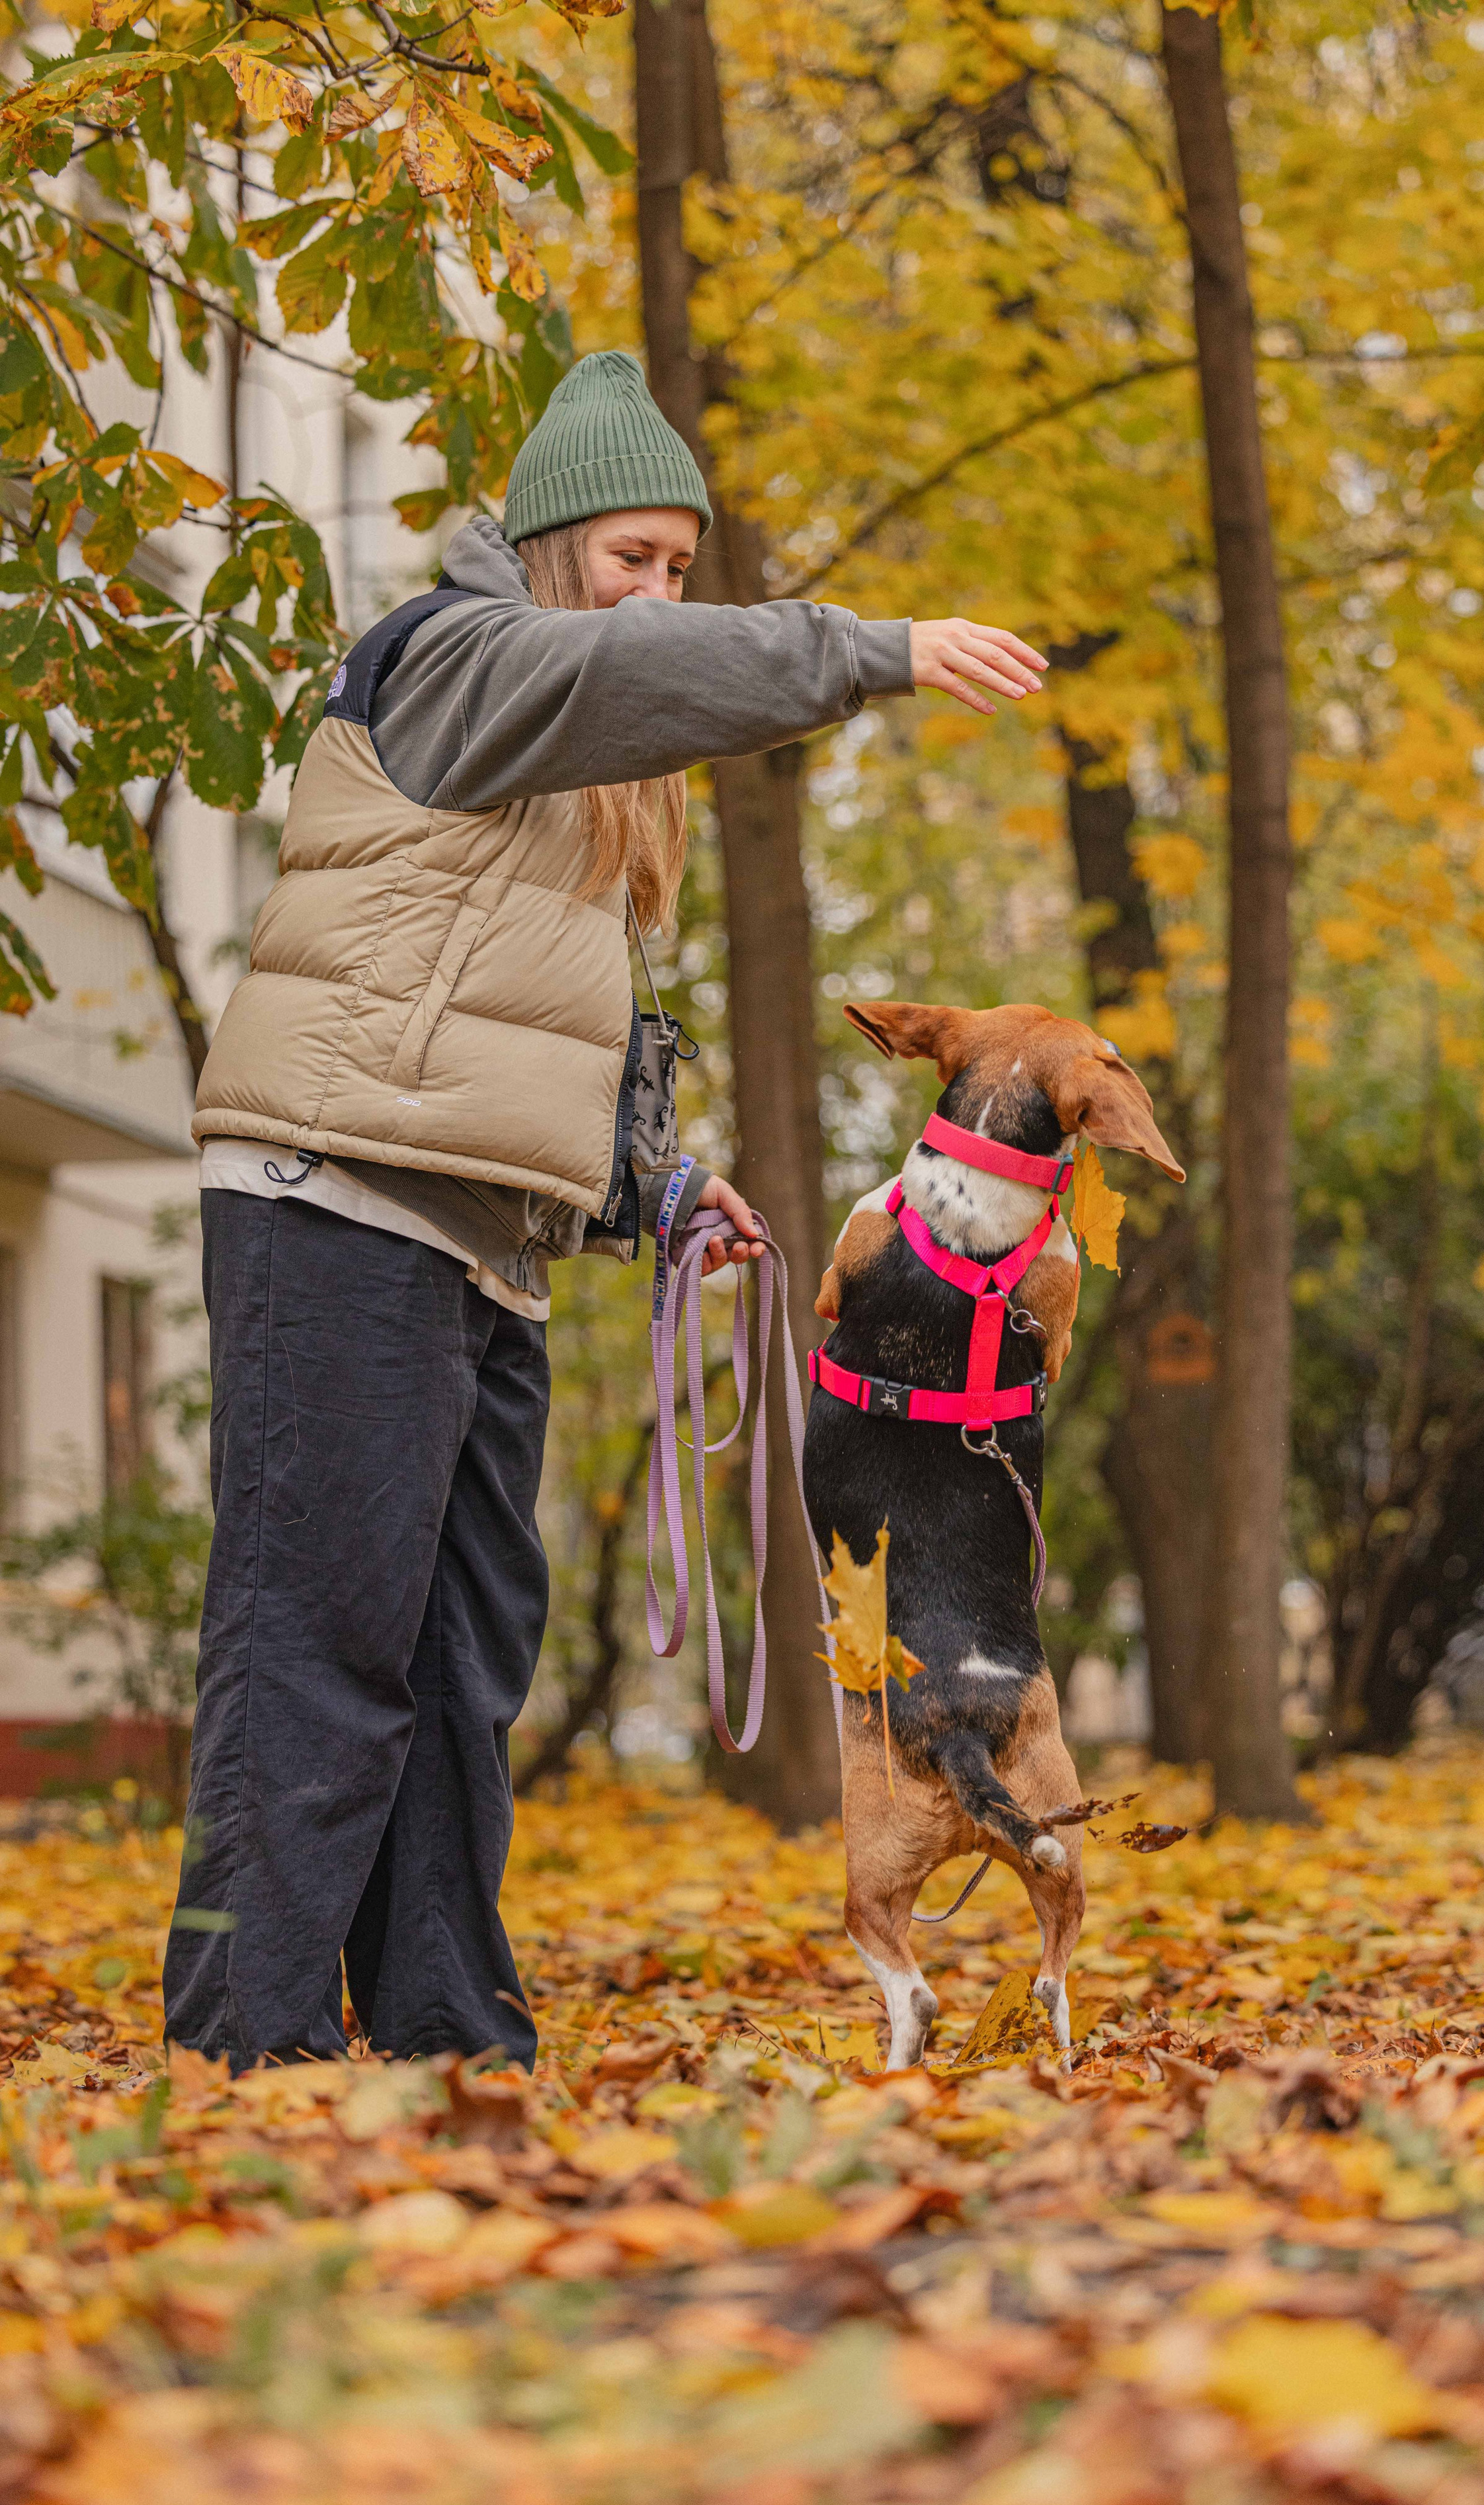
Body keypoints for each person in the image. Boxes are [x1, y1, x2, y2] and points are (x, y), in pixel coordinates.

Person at [165, 349, 1048, 2074]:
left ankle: (446, 2046)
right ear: (556, 545)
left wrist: (651, 1178)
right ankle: (238, 2063)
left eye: (676, 564)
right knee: (319, 1658)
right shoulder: (461, 653)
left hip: (474, 1246)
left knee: (459, 1675)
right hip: (331, 1204)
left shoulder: (563, 765)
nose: (658, 594)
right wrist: (870, 651)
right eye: (634, 559)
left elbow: (507, 1012)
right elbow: (630, 669)